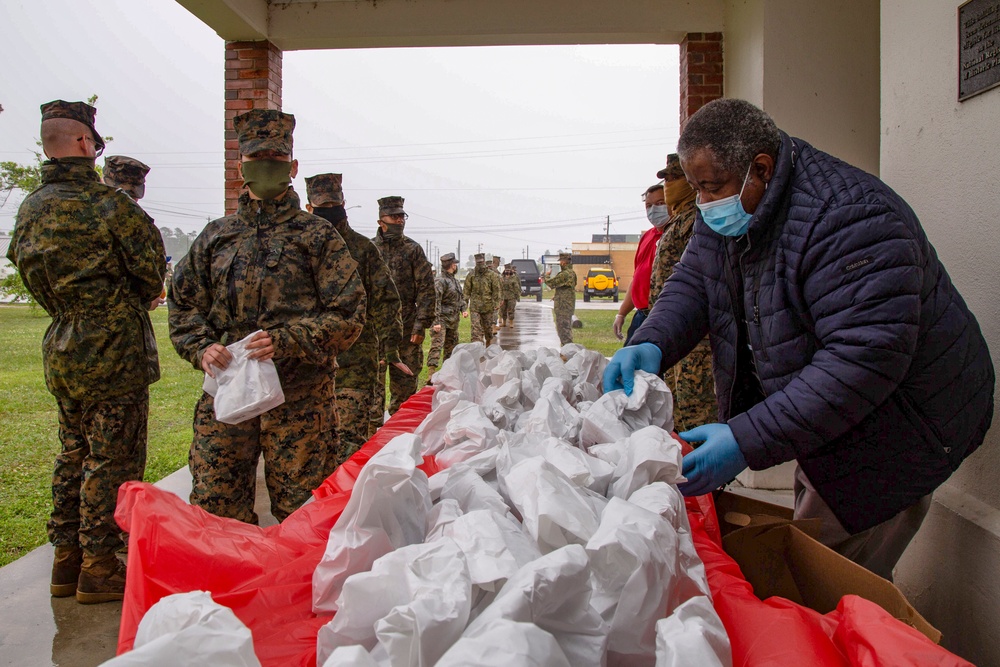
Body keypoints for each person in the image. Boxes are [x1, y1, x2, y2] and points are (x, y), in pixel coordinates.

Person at [604, 98, 994, 579]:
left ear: (761, 169)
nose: (702, 204)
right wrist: (653, 341)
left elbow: (863, 362)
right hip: (837, 419)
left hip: (898, 427)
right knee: (820, 538)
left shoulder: (850, 218)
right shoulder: (737, 205)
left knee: (835, 573)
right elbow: (693, 282)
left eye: (710, 187)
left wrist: (746, 439)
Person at [169, 109, 366, 524]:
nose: (266, 171)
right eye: (256, 162)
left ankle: (298, 588)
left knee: (304, 512)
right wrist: (201, 347)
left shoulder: (316, 237)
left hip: (300, 399)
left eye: (275, 163)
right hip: (227, 395)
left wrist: (287, 339)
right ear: (241, 167)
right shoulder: (217, 236)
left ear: (292, 168)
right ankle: (230, 588)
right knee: (215, 507)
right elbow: (183, 304)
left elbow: (349, 314)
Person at [7, 100, 166, 603]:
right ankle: (100, 565)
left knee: (72, 451)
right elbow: (148, 277)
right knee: (111, 459)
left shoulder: (31, 207)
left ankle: (66, 558)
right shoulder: (111, 206)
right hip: (113, 346)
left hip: (62, 344)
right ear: (84, 143)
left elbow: (28, 269)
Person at [304, 172, 407, 464]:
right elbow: (387, 302)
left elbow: (386, 301)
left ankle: (343, 504)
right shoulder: (300, 245)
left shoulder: (360, 249)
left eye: (331, 204)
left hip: (350, 363)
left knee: (348, 445)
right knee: (321, 446)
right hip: (309, 366)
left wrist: (388, 348)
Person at [647, 154, 717, 431]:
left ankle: (704, 471)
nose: (669, 186)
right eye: (666, 180)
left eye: (674, 179)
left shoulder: (697, 220)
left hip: (695, 339)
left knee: (694, 412)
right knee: (674, 409)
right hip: (673, 332)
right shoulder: (678, 220)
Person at [372, 195, 435, 415]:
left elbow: (427, 290)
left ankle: (402, 437)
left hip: (407, 329)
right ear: (381, 220)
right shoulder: (369, 250)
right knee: (373, 392)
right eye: (394, 216)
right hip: (375, 330)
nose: (399, 221)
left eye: (402, 216)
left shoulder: (412, 250)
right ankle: (371, 440)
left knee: (406, 389)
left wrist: (421, 325)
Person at [613, 183, 668, 345]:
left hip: (662, 317)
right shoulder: (647, 237)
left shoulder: (676, 236)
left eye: (659, 204)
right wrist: (621, 314)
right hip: (641, 315)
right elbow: (637, 279)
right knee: (628, 364)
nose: (653, 210)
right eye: (649, 206)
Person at [427, 252, 466, 377]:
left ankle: (447, 373)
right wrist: (436, 321)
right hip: (442, 320)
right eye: (455, 264)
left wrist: (463, 309)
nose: (456, 266)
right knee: (437, 346)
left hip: (453, 321)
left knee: (452, 347)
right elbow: (435, 301)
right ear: (452, 265)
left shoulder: (453, 280)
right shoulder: (440, 281)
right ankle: (431, 374)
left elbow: (460, 298)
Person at [464, 252, 502, 347]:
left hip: (488, 307)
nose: (480, 264)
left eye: (481, 262)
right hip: (475, 308)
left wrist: (497, 303)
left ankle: (488, 343)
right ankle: (477, 349)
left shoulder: (491, 275)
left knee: (488, 331)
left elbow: (496, 290)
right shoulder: (471, 275)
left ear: (484, 261)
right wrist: (464, 307)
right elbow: (466, 292)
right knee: (476, 331)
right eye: (478, 262)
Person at [544, 251, 578, 346]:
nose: (560, 263)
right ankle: (568, 349)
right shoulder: (572, 273)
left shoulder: (564, 274)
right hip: (568, 304)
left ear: (564, 262)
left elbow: (551, 283)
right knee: (566, 328)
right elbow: (569, 287)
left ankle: (567, 351)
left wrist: (546, 275)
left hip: (563, 306)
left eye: (561, 261)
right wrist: (558, 295)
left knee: (563, 329)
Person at [499, 262, 521, 327]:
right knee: (503, 310)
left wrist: (517, 296)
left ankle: (511, 323)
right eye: (506, 270)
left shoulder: (514, 277)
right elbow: (499, 287)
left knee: (511, 310)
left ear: (510, 270)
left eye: (508, 270)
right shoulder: (501, 277)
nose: (507, 272)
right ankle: (504, 322)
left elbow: (516, 287)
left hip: (512, 296)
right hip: (503, 297)